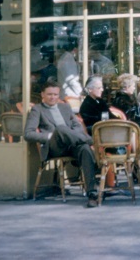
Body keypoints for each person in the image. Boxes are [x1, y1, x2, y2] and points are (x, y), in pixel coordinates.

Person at [24, 79, 99, 207]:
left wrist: (71, 134)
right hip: (54, 146)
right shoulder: (37, 109)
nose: (53, 97)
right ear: (42, 94)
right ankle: (94, 144)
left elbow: (77, 126)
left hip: (71, 144)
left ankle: (92, 193)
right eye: (49, 94)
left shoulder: (65, 107)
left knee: (85, 149)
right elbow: (28, 134)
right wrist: (49, 136)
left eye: (55, 94)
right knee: (61, 128)